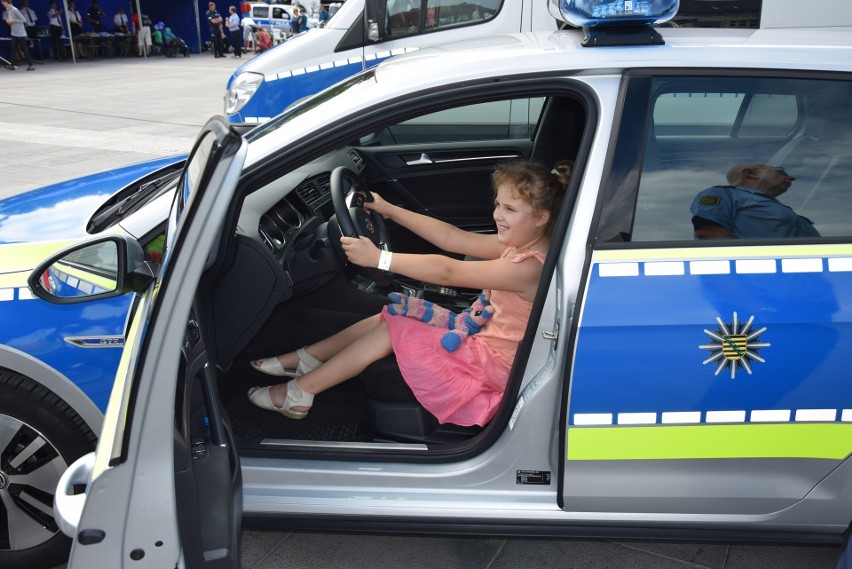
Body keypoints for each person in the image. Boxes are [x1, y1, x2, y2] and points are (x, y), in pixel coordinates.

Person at [247, 160, 564, 425]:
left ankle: (299, 392)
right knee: (390, 313)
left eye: (509, 208)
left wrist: (379, 259)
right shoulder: (518, 246)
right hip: (482, 337)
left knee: (393, 327)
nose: (497, 214)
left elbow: (449, 271)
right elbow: (452, 237)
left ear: (540, 218)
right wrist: (389, 209)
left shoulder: (531, 268)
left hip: (492, 365)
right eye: (497, 203)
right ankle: (306, 359)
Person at [690, 163, 820, 239]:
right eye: (781, 172)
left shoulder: (778, 208)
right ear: (752, 174)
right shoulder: (723, 194)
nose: (792, 178)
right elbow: (709, 233)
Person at [2, 0, 35, 70]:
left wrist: (14, 21)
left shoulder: (15, 10)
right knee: (13, 48)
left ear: (8, 3)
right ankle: (12, 65)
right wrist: (8, 21)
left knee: (24, 49)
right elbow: (10, 19)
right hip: (14, 33)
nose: (3, 4)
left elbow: (24, 20)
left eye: (3, 3)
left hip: (21, 33)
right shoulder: (8, 10)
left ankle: (30, 65)